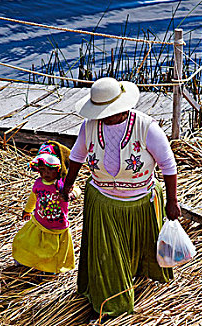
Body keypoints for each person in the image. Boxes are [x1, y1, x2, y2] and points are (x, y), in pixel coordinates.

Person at [59, 77, 181, 318]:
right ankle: (112, 303)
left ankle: (138, 274)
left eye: (109, 112)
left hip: (141, 201)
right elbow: (76, 157)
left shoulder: (146, 127)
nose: (104, 117)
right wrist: (68, 184)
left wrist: (172, 201)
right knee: (108, 257)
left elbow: (168, 165)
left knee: (137, 247)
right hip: (103, 202)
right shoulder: (89, 126)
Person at [12, 141, 81, 274]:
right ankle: (24, 260)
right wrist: (28, 210)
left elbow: (77, 190)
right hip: (39, 222)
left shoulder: (62, 185)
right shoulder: (38, 183)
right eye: (42, 170)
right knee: (23, 241)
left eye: (51, 170)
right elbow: (33, 197)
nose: (46, 173)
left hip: (57, 225)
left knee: (52, 251)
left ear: (59, 169)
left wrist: (71, 195)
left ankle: (49, 270)